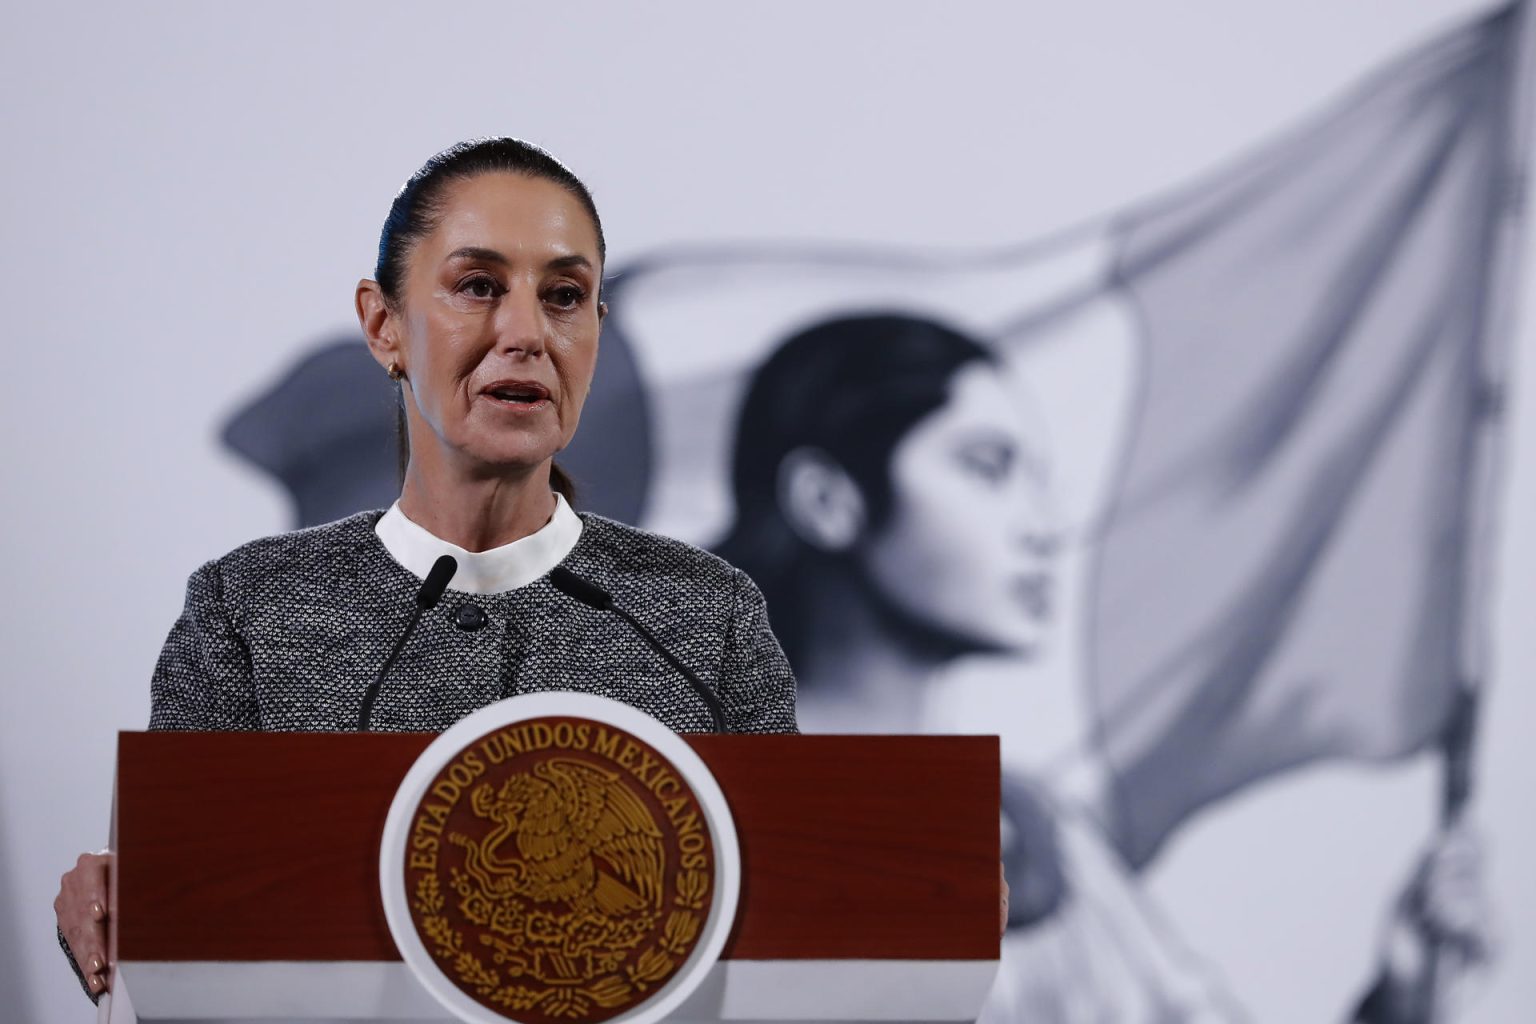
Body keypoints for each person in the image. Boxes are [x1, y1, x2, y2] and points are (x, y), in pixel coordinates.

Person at [52, 137, 804, 1002]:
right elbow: (180, 914)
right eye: (478, 286)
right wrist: (110, 907)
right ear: (384, 326)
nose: (525, 333)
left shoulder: (704, 615)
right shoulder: (249, 610)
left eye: (564, 297)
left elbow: (787, 915)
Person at [714, 312, 1492, 1023]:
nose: (1045, 526)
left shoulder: (1030, 832)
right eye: (987, 467)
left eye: (1036, 481)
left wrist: (1399, 994)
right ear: (825, 499)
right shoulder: (682, 804)